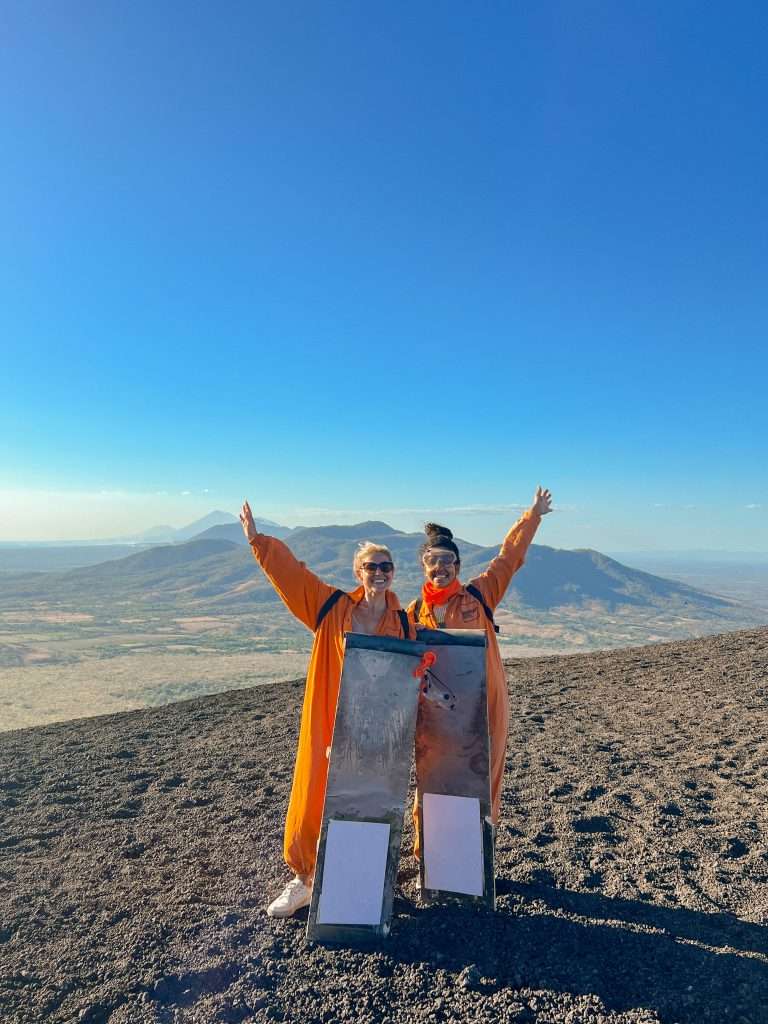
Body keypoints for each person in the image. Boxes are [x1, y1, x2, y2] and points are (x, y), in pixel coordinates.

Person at [239, 500, 413, 918]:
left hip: (377, 732)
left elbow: (418, 670)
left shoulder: (405, 623)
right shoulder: (332, 608)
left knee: (369, 802)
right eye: (371, 566)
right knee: (313, 797)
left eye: (386, 566)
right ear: (359, 572)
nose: (379, 573)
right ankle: (304, 880)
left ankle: (363, 881)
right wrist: (258, 542)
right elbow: (294, 577)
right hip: (329, 725)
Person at [408, 486, 553, 836]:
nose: (440, 567)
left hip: (485, 708)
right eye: (433, 560)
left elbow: (509, 558)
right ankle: (426, 855)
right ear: (424, 566)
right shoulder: (413, 613)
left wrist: (531, 516)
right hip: (437, 713)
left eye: (447, 561)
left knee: (483, 780)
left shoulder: (480, 594)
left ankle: (477, 857)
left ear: (457, 565)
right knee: (431, 780)